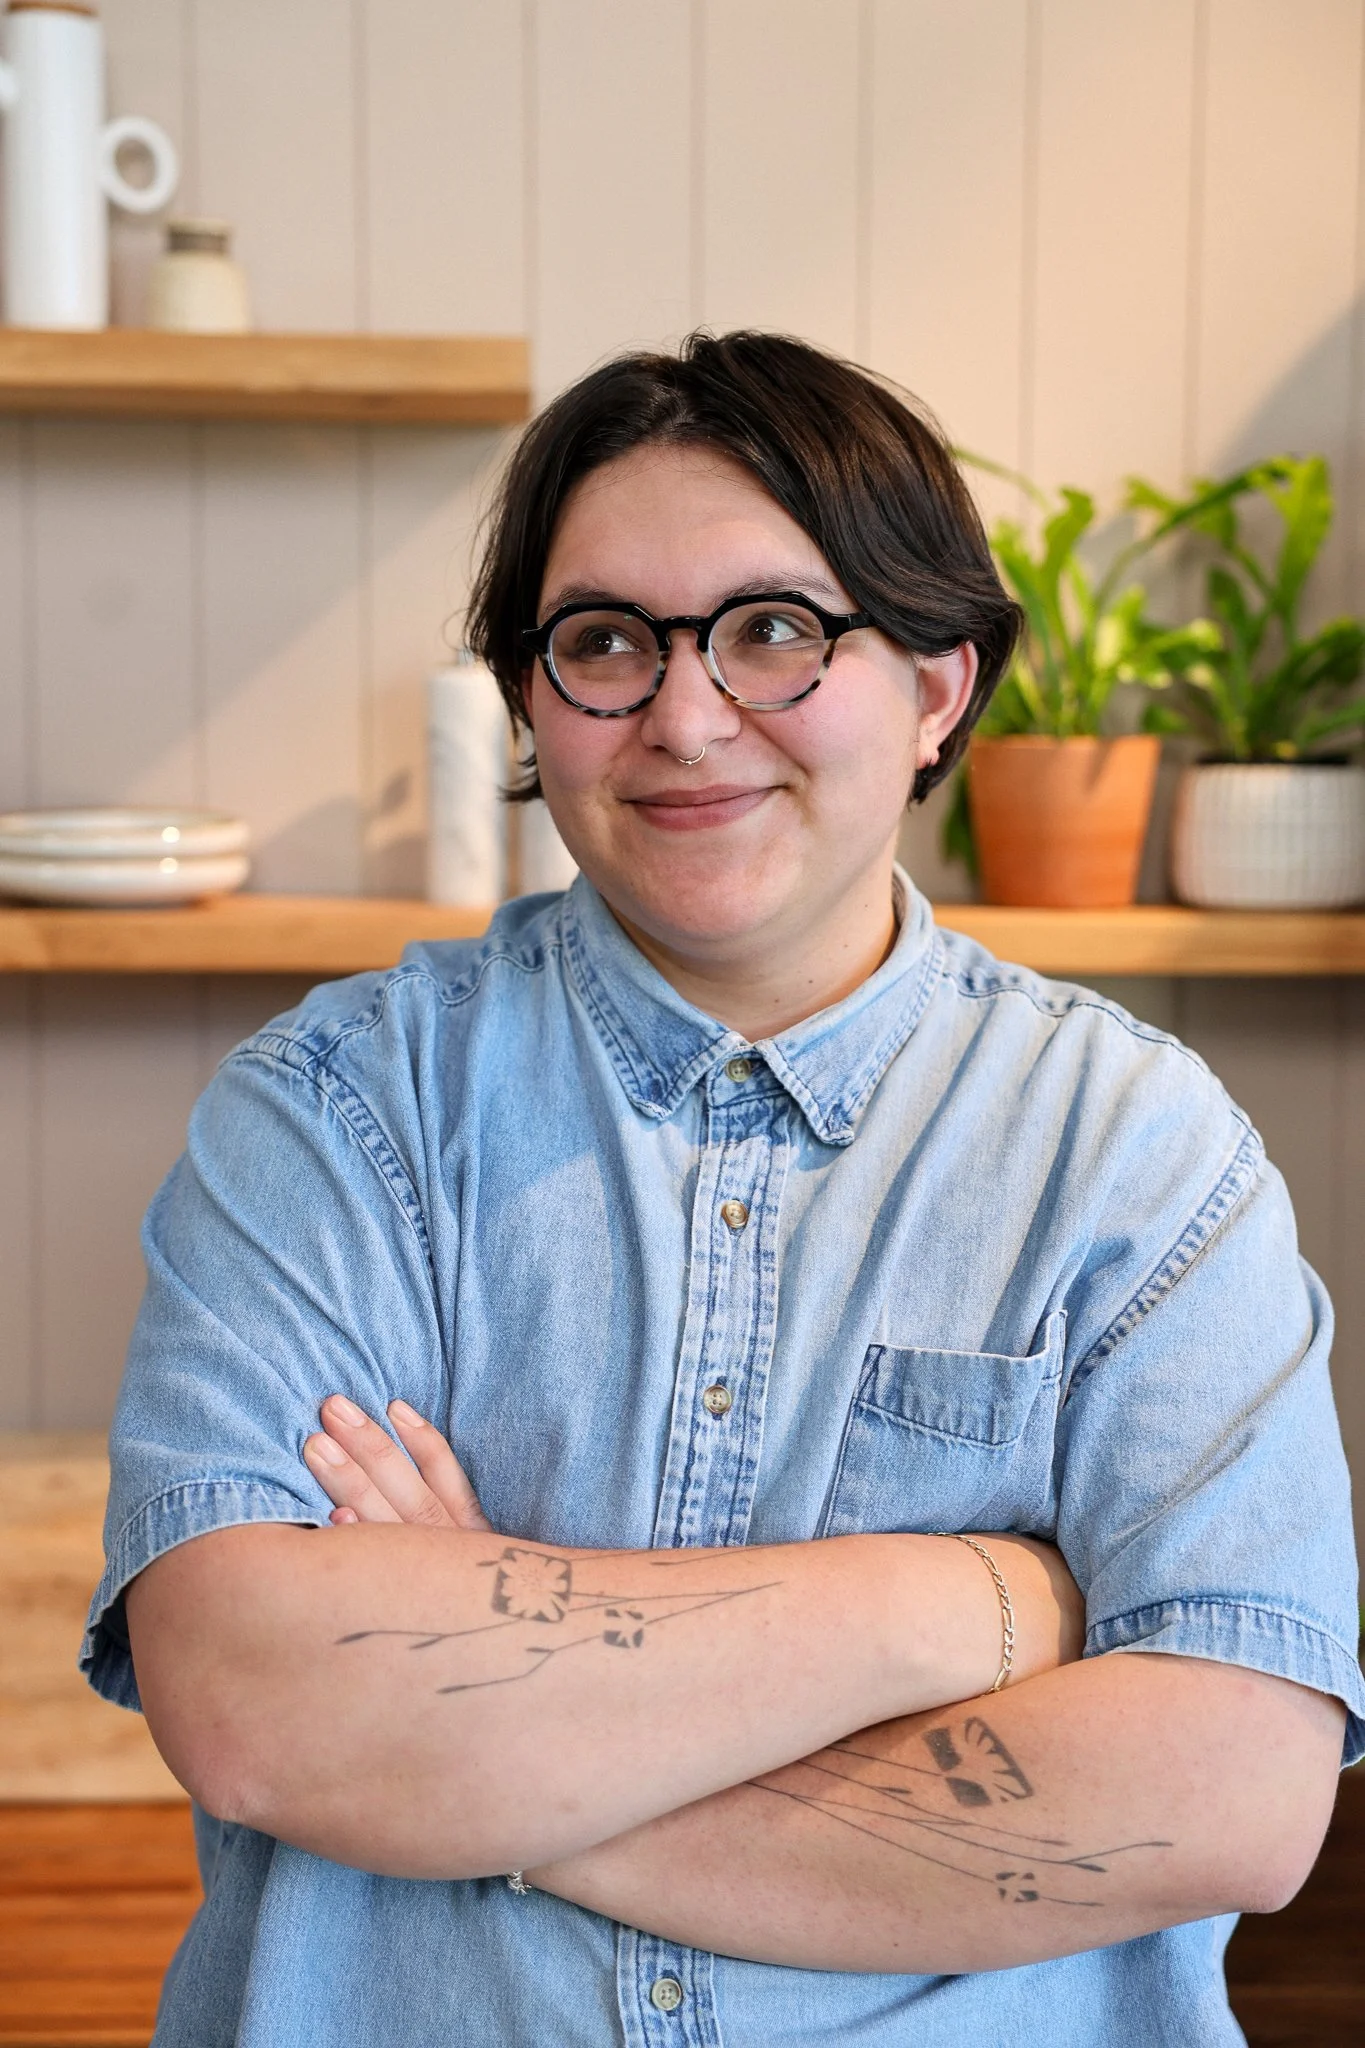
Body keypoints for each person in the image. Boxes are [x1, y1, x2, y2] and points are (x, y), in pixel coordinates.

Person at [85, 331, 1363, 2048]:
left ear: (936, 686)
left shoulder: (1138, 1152)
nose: (685, 718)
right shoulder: (334, 1112)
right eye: (605, 642)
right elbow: (259, 1713)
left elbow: (1230, 1798)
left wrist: (486, 1758)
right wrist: (957, 1602)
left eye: (776, 633)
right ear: (534, 700)